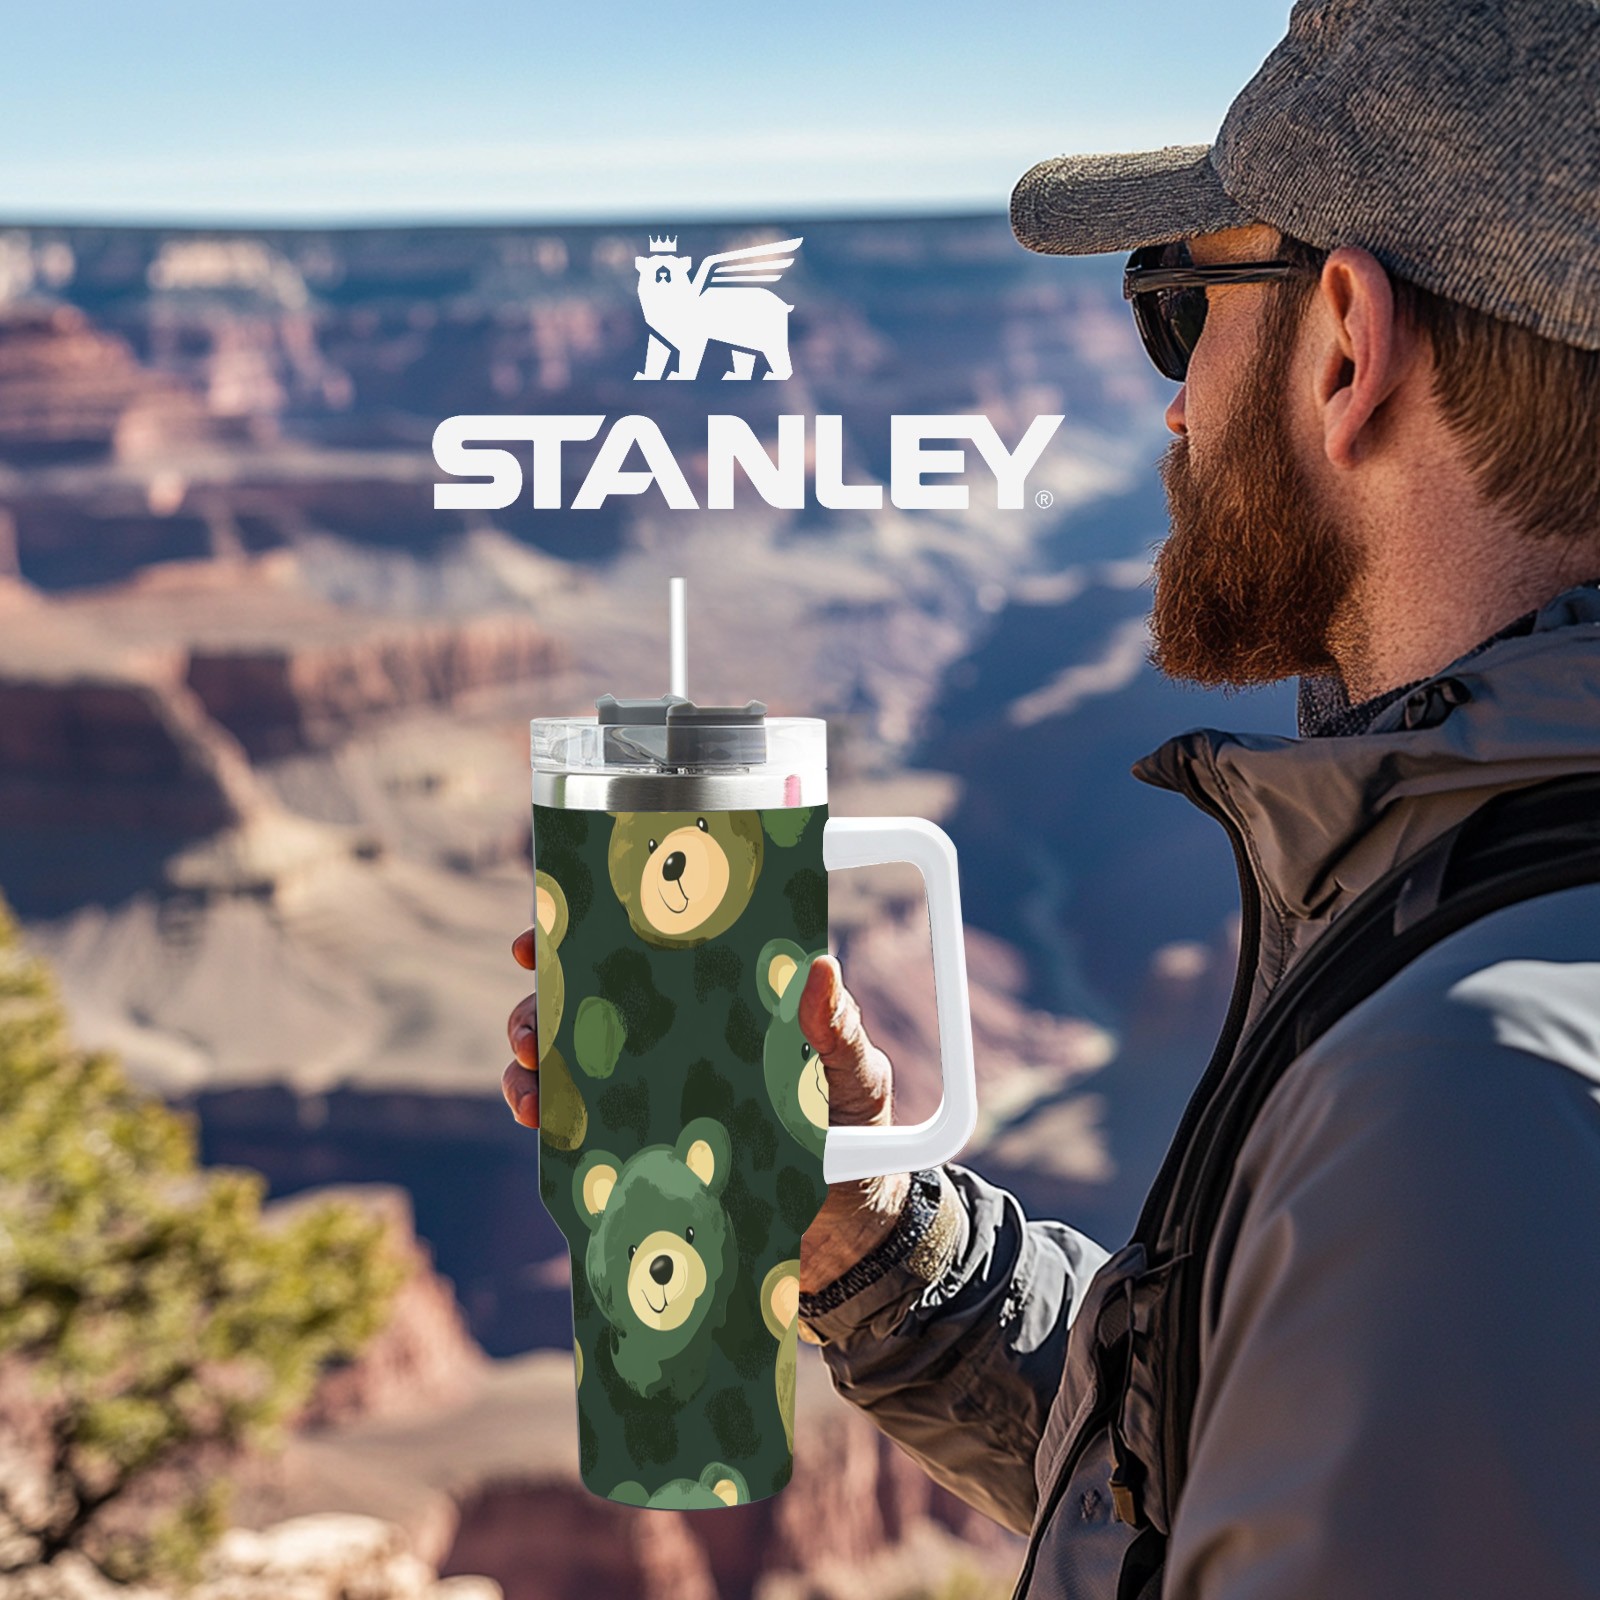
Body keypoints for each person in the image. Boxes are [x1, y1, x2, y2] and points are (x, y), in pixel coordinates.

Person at [505, 0, 1600, 1591]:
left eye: (1182, 305)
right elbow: (1240, 1471)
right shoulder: (1492, 972)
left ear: (1346, 343)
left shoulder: (1461, 1104)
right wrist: (866, 1223)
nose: (1173, 402)